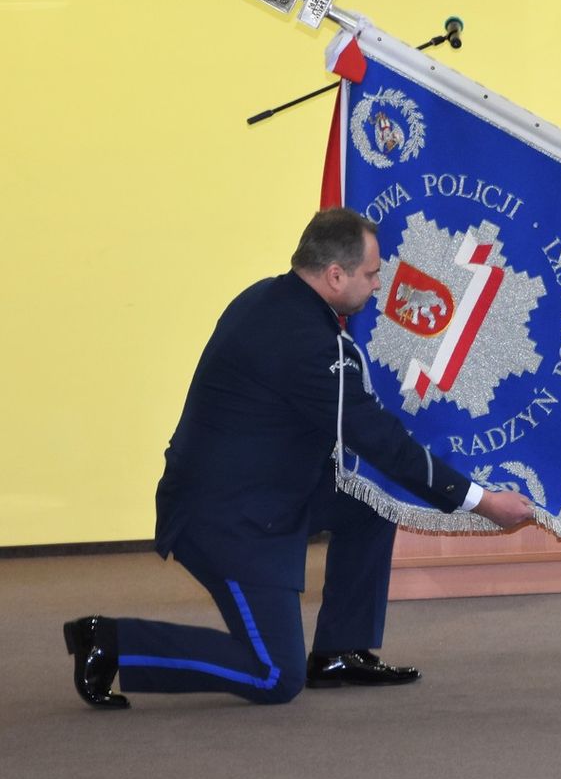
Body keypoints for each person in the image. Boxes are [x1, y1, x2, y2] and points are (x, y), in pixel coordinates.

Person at [63, 208, 534, 709]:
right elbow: (379, 440)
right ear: (335, 276)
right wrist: (483, 502)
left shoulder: (270, 298)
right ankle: (112, 643)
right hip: (227, 517)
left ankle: (339, 650)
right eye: (372, 274)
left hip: (266, 486)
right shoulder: (306, 341)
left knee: (371, 502)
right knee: (274, 675)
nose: (379, 285)